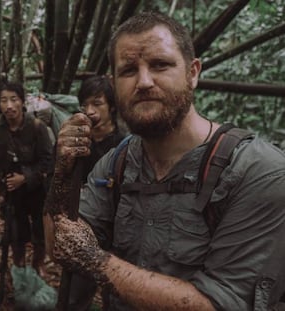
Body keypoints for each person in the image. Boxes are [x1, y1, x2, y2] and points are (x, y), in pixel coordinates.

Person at [43, 11, 285, 311]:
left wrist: (97, 262)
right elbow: (60, 245)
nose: (144, 82)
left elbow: (224, 304)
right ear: (114, 82)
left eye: (160, 65)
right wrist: (62, 173)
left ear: (193, 72)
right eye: (129, 70)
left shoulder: (257, 172)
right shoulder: (117, 163)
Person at [0, 79, 53, 276]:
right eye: (3, 101)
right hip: (11, 191)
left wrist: (25, 177)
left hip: (37, 189)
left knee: (39, 230)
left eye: (13, 100)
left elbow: (48, 161)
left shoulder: (37, 127)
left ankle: (38, 263)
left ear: (22, 102)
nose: (9, 106)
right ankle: (19, 265)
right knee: (15, 231)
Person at [68, 75, 126, 310]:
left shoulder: (125, 143)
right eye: (85, 105)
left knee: (116, 293)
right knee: (77, 293)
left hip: (120, 227)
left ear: (111, 106)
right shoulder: (77, 141)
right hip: (85, 225)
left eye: (97, 103)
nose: (90, 111)